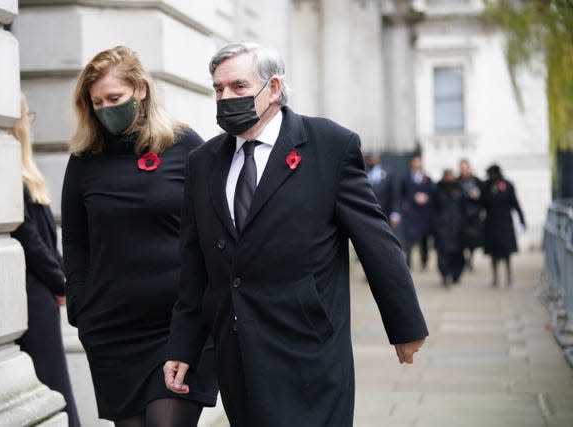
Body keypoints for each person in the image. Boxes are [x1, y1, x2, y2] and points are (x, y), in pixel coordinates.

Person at [163, 42, 428, 427]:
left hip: (308, 351)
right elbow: (194, 267)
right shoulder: (203, 163)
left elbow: (375, 240)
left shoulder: (328, 145)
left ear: (273, 88)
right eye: (218, 89)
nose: (225, 98)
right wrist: (183, 347)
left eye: (238, 86)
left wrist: (404, 325)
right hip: (237, 354)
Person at [61, 46, 218, 426]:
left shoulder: (185, 145)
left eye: (114, 98)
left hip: (179, 328)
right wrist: (82, 309)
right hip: (113, 333)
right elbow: (76, 243)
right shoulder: (84, 160)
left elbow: (215, 231)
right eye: (96, 102)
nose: (105, 109)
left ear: (141, 90)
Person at [10, 93, 81, 427]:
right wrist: (61, 280)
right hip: (33, 292)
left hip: (41, 291)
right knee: (49, 378)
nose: (29, 122)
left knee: (55, 380)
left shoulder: (24, 170)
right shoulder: (11, 170)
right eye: (27, 114)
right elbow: (29, 237)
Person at [480, 164, 526, 286]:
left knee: (506, 251)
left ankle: (509, 276)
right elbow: (481, 203)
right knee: (493, 252)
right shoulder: (485, 186)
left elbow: (515, 204)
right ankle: (495, 277)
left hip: (505, 222)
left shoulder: (508, 186)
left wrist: (522, 220)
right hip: (491, 222)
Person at [432, 169, 467, 286]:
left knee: (458, 253)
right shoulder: (437, 189)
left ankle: (455, 274)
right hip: (442, 228)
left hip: (457, 228)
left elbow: (464, 207)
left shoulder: (459, 189)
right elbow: (432, 208)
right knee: (442, 253)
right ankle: (445, 274)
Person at [400, 153, 434, 269]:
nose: (417, 164)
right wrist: (411, 200)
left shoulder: (427, 178)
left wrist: (426, 198)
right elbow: (402, 194)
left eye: (419, 161)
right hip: (411, 212)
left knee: (424, 238)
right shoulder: (406, 178)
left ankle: (424, 260)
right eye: (415, 161)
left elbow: (432, 193)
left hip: (424, 213)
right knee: (409, 238)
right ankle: (408, 261)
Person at [457, 159, 483, 271]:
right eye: (462, 168)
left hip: (474, 214)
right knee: (463, 239)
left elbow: (483, 195)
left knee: (474, 239)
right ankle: (464, 259)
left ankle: (470, 258)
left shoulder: (477, 181)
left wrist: (478, 195)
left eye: (465, 167)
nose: (464, 170)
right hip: (462, 215)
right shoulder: (457, 182)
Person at [366, 153, 401, 228]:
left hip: (386, 213)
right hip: (368, 213)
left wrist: (395, 213)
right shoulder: (364, 172)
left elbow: (395, 193)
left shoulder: (388, 172)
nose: (372, 159)